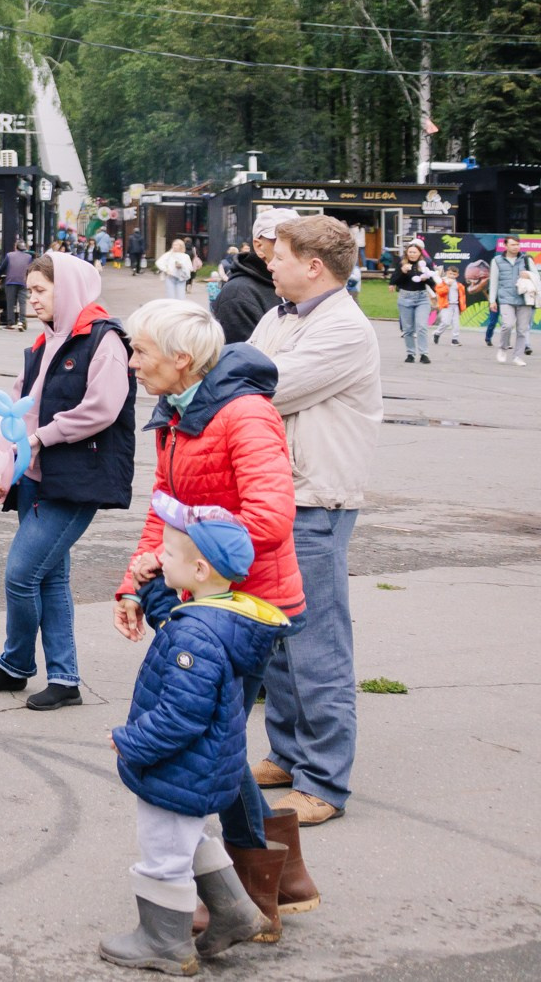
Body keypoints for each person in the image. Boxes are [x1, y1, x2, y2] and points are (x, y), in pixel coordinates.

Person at [116, 300, 310, 937]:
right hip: (203, 598)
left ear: (181, 359)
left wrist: (192, 560)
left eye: (140, 351)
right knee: (217, 741)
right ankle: (274, 883)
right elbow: (165, 510)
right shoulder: (177, 410)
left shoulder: (244, 414)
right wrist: (136, 580)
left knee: (212, 743)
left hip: (246, 607)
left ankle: (254, 895)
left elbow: (270, 518)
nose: (132, 362)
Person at [98, 494, 285, 972]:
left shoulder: (195, 638)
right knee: (189, 836)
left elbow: (181, 716)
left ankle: (164, 943)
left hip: (178, 768)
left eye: (168, 553)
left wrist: (131, 742)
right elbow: (173, 618)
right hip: (202, 769)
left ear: (199, 570)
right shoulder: (217, 615)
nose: (158, 555)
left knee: (163, 853)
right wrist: (150, 583)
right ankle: (235, 910)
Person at [249, 213, 382, 827]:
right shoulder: (279, 316)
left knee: (316, 647)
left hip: (316, 501)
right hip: (276, 495)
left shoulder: (345, 328)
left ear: (313, 266)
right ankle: (287, 754)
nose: (269, 262)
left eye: (279, 255)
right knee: (277, 638)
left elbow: (263, 388)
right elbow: (243, 372)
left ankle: (324, 782)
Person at [0, 250, 135, 711]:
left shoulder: (104, 339)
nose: (32, 300)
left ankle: (15, 663)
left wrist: (42, 438)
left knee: (21, 574)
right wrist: (8, 467)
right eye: (29, 291)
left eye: (41, 290)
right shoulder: (45, 340)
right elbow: (17, 408)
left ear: (67, 289)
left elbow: (102, 408)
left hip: (76, 477)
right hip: (34, 476)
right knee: (49, 577)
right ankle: (64, 679)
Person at [210, 210, 292, 346]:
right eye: (280, 240)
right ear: (259, 246)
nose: (292, 248)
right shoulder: (238, 293)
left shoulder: (300, 283)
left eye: (299, 242)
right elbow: (243, 356)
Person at [387, 239, 436, 364]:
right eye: (410, 252)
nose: (412, 254)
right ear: (407, 253)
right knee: (408, 329)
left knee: (421, 327)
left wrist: (426, 279)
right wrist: (403, 272)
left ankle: (424, 354)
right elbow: (395, 280)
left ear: (420, 253)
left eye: (415, 252)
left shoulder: (425, 264)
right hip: (405, 298)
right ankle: (410, 354)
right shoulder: (402, 263)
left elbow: (432, 282)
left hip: (422, 298)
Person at [490, 242, 533, 366]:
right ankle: (503, 348)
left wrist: (529, 275)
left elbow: (536, 276)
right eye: (513, 244)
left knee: (522, 330)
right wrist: (492, 300)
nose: (516, 247)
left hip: (524, 299)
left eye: (517, 245)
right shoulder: (497, 260)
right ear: (506, 246)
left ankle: (517, 356)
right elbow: (494, 281)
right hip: (506, 298)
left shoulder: (526, 259)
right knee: (507, 325)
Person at [0, 240, 34, 330]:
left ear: (16, 247)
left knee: (10, 302)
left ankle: (10, 323)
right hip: (23, 282)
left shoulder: (9, 255)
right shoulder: (29, 257)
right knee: (22, 302)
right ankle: (21, 322)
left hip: (10, 281)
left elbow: (3, 267)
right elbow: (31, 269)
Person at [431, 264, 465, 348]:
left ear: (457, 275)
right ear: (446, 273)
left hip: (455, 305)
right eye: (450, 273)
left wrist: (461, 307)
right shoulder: (442, 282)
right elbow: (440, 292)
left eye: (454, 274)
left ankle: (454, 339)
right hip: (446, 305)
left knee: (456, 323)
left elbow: (462, 296)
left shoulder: (459, 285)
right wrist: (447, 286)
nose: (452, 275)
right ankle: (437, 333)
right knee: (446, 322)